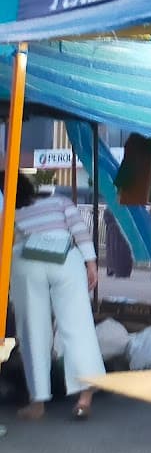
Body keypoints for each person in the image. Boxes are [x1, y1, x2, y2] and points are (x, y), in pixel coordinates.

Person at [9, 175, 103, 421]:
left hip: (26, 261)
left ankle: (37, 403)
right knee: (78, 327)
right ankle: (84, 399)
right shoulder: (59, 202)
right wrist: (91, 263)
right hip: (64, 259)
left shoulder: (8, 211)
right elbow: (79, 230)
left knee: (33, 332)